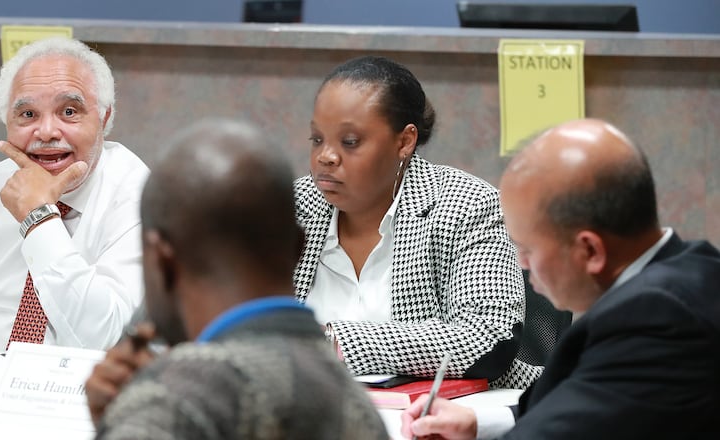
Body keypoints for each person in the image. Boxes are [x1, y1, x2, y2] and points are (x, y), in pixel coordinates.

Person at [401, 118, 720, 439]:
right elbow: (578, 401)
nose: (522, 264)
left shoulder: (656, 317)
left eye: (526, 248)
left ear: (590, 250)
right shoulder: (696, 267)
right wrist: (477, 423)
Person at [85, 118, 388, 439]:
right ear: (298, 247)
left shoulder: (171, 403)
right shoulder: (360, 409)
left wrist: (126, 420)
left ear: (162, 261)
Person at [294, 55, 525, 381]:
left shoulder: (465, 205)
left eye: (349, 141)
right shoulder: (289, 209)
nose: (325, 157)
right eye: (317, 139)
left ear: (404, 141)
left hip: (445, 416)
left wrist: (332, 342)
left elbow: (489, 337)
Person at [0, 37, 148, 351]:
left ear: (104, 117)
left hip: (84, 394)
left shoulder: (136, 192)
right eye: (28, 115)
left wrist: (39, 217)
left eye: (69, 111)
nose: (46, 132)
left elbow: (107, 338)